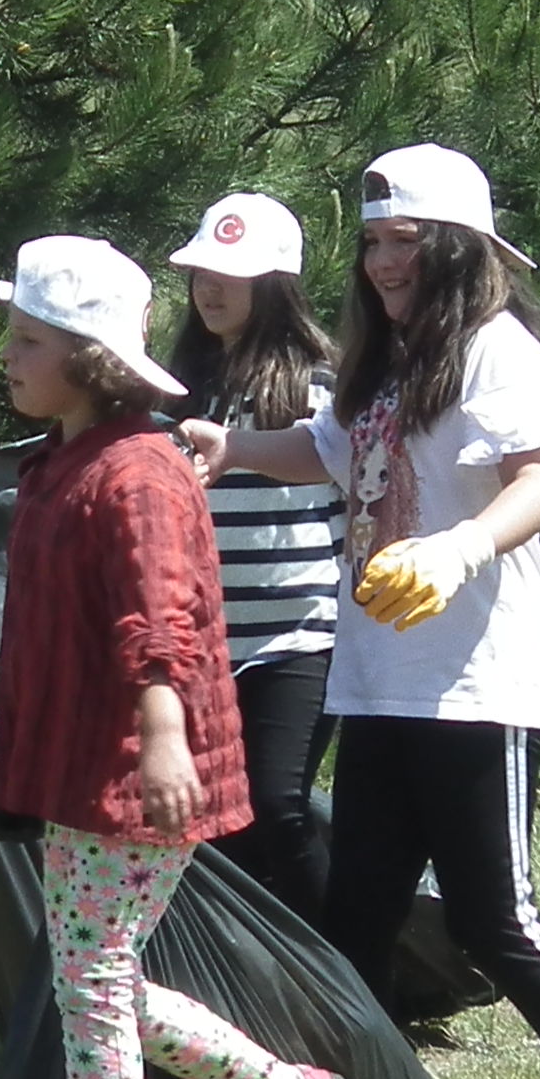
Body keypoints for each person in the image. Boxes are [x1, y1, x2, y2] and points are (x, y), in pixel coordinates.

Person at [183, 145, 540, 1079]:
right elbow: (323, 451)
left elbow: (537, 484)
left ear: (457, 247)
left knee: (493, 918)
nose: (380, 262)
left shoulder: (501, 351)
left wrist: (459, 549)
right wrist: (226, 448)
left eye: (402, 241)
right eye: (369, 242)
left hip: (476, 682)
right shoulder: (386, 361)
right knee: (355, 922)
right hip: (374, 680)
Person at [0, 237, 341, 1079]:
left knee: (91, 978)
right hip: (83, 757)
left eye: (30, 339)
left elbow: (164, 614)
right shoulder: (63, 461)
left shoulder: (136, 472)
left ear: (89, 358)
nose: (9, 354)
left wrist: (163, 731)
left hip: (134, 766)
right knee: (98, 977)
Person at [162, 191, 344, 921]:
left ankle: (354, 981)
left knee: (277, 804)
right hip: (204, 644)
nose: (210, 287)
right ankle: (260, 994)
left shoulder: (323, 383)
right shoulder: (176, 388)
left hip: (300, 639)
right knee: (217, 826)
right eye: (202, 271)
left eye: (231, 275)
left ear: (275, 285)